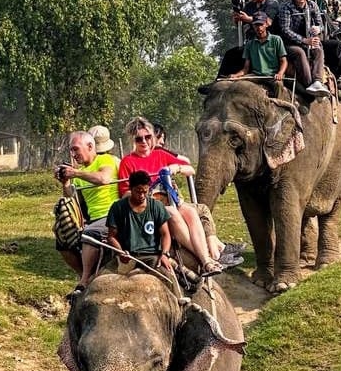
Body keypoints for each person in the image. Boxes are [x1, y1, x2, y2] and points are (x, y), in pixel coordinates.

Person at [118, 117, 222, 274]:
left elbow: (190, 169)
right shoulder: (127, 162)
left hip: (170, 200)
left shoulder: (160, 154)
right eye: (139, 139)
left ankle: (207, 260)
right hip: (146, 208)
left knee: (191, 211)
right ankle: (204, 258)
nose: (144, 142)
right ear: (133, 140)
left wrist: (176, 168)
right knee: (172, 212)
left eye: (147, 137)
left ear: (153, 137)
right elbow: (124, 193)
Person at [54, 126, 119, 280]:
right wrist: (65, 182)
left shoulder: (105, 159)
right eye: (71, 150)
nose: (73, 154)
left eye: (76, 149)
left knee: (90, 233)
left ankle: (84, 280)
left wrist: (76, 172)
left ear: (90, 146)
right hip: (92, 219)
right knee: (61, 237)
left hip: (112, 215)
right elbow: (72, 200)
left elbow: (104, 179)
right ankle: (82, 274)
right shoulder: (80, 173)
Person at [106, 170, 173, 271]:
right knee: (104, 278)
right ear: (130, 188)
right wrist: (120, 252)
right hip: (129, 256)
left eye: (145, 192)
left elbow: (165, 234)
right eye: (138, 192)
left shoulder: (157, 206)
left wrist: (164, 254)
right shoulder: (118, 207)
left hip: (152, 256)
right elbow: (111, 236)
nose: (141, 196)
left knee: (168, 277)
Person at [278, 0, 329, 97]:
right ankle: (308, 83)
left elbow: (320, 24)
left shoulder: (312, 5)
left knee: (318, 49)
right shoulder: (286, 7)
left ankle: (317, 81)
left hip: (309, 40)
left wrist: (318, 29)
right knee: (300, 52)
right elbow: (285, 30)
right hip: (290, 43)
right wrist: (303, 40)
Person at [229, 12, 287, 82]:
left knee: (278, 84)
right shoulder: (249, 44)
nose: (259, 28)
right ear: (253, 26)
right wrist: (236, 75)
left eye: (261, 24)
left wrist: (280, 73)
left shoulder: (276, 39)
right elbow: (245, 69)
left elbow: (284, 61)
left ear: (266, 24)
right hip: (255, 75)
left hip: (273, 76)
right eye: (256, 25)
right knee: (240, 84)